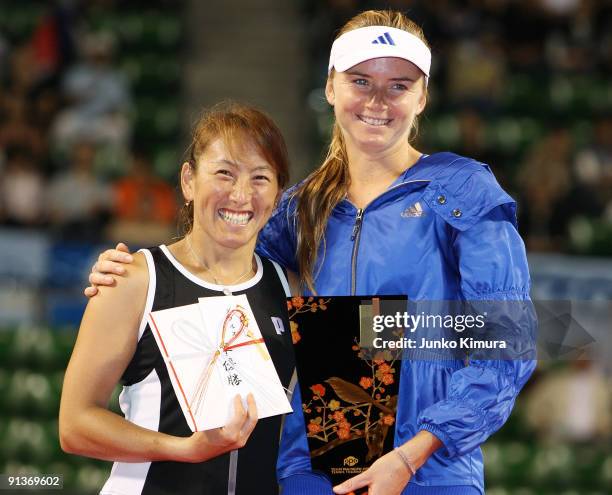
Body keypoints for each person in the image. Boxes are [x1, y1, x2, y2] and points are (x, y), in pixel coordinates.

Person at [85, 10, 536, 495]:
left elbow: (507, 346)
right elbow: (216, 261)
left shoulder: (462, 189)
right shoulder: (300, 208)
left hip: (430, 474)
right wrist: (136, 269)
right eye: (360, 81)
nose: (377, 101)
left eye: (399, 85)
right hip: (316, 471)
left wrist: (408, 457)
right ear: (330, 88)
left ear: (422, 96)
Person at [60, 102, 296, 495]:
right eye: (224, 173)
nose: (241, 194)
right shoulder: (134, 279)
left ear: (277, 195)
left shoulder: (290, 288)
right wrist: (185, 449)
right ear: (189, 180)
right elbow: (74, 425)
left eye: (260, 177)